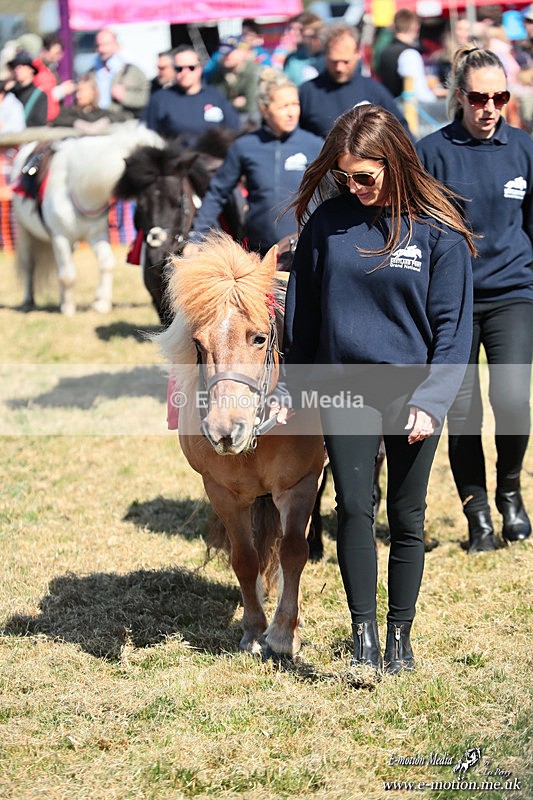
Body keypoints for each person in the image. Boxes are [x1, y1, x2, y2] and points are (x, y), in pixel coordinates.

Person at [277, 104, 475, 674]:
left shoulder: (438, 228)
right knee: (353, 509)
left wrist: (431, 401)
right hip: (345, 386)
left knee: (408, 515)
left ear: (394, 163)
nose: (354, 186)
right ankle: (363, 634)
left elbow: (453, 331)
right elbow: (303, 316)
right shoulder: (327, 223)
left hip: (413, 392)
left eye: (365, 176)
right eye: (345, 176)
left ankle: (400, 638)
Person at [416, 45, 533, 554]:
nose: (489, 108)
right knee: (462, 412)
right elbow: (415, 231)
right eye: (479, 98)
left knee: (511, 399)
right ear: (459, 97)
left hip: (513, 293)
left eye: (500, 97)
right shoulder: (431, 152)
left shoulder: (524, 149)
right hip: (453, 300)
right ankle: (477, 513)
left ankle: (510, 492)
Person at [183, 69, 323, 257]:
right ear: (264, 109)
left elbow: (331, 194)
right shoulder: (245, 146)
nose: (291, 112)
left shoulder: (315, 145)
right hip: (260, 251)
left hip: (306, 248)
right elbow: (217, 193)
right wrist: (197, 238)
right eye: (283, 106)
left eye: (295, 104)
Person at [298, 24, 412, 139]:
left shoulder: (374, 91)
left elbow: (403, 135)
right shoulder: (307, 93)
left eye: (345, 62)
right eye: (334, 61)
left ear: (357, 54)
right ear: (325, 55)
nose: (339, 68)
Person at [142, 45, 240, 146]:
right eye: (179, 69)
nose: (185, 72)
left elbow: (233, 128)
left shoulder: (215, 95)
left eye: (191, 68)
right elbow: (148, 137)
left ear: (200, 68)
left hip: (211, 158)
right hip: (178, 159)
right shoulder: (160, 99)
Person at [376, 9, 446, 102]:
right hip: (406, 110)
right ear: (414, 26)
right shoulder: (410, 54)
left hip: (390, 106)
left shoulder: (384, 51)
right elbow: (420, 94)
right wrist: (440, 96)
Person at [91, 28, 150, 118]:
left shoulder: (131, 70)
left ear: (116, 45)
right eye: (98, 45)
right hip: (97, 118)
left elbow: (146, 98)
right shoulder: (92, 72)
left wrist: (125, 96)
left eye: (106, 45)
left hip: (122, 121)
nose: (101, 49)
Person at [205, 36, 261, 126]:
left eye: (229, 53)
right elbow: (216, 103)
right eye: (223, 53)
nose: (225, 57)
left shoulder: (254, 71)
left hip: (252, 122)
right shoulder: (217, 73)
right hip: (227, 122)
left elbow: (250, 105)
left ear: (241, 52)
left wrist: (228, 102)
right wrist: (234, 102)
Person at [50, 73, 131, 132]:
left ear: (93, 92)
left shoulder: (100, 113)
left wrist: (106, 121)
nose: (78, 95)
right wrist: (76, 122)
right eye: (77, 91)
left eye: (82, 91)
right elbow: (55, 118)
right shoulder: (70, 111)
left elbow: (125, 116)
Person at [32, 32, 76, 122]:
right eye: (55, 53)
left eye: (60, 53)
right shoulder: (36, 70)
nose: (58, 57)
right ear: (44, 51)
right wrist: (61, 91)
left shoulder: (52, 69)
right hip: (43, 118)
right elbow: (39, 96)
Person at [6, 50, 47, 127]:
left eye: (21, 66)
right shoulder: (10, 92)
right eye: (15, 66)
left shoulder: (40, 95)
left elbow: (39, 123)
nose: (17, 69)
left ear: (31, 69)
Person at [283, 18, 327, 87]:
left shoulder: (325, 59)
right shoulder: (291, 59)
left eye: (300, 30)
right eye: (290, 29)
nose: (292, 33)